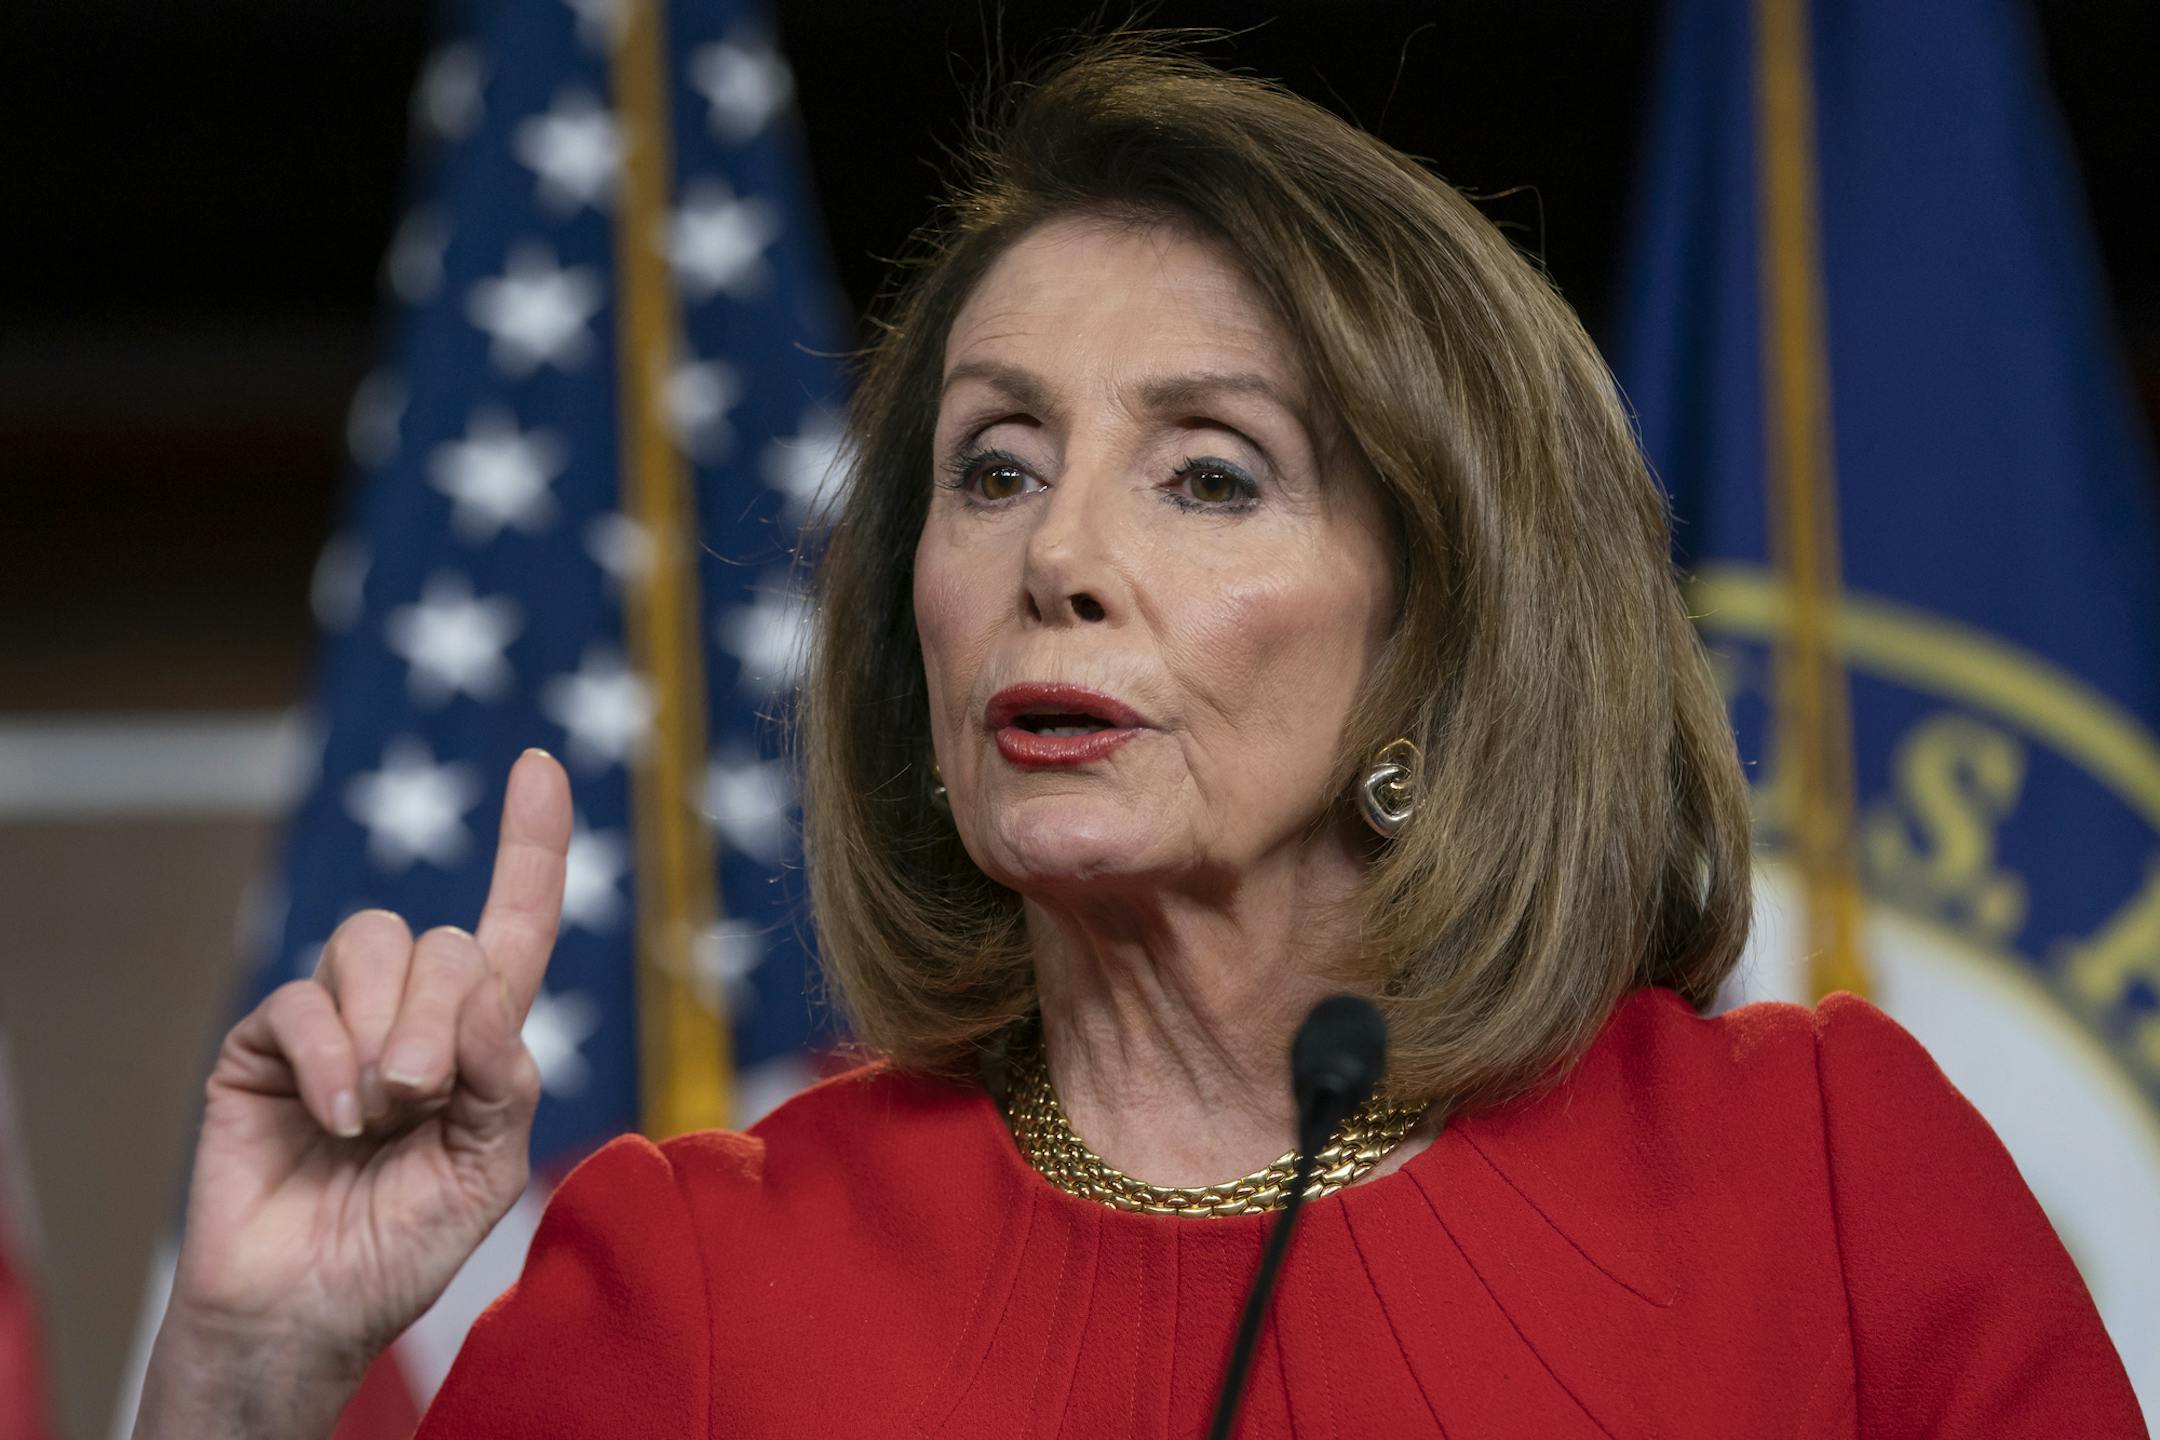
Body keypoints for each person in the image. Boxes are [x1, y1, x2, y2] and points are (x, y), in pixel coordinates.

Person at [133, 36, 2146, 1439]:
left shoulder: (1823, 1187)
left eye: (1209, 475)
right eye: (992, 467)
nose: (1058, 555)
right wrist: (239, 1372)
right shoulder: (697, 1294)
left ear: (1446, 630)